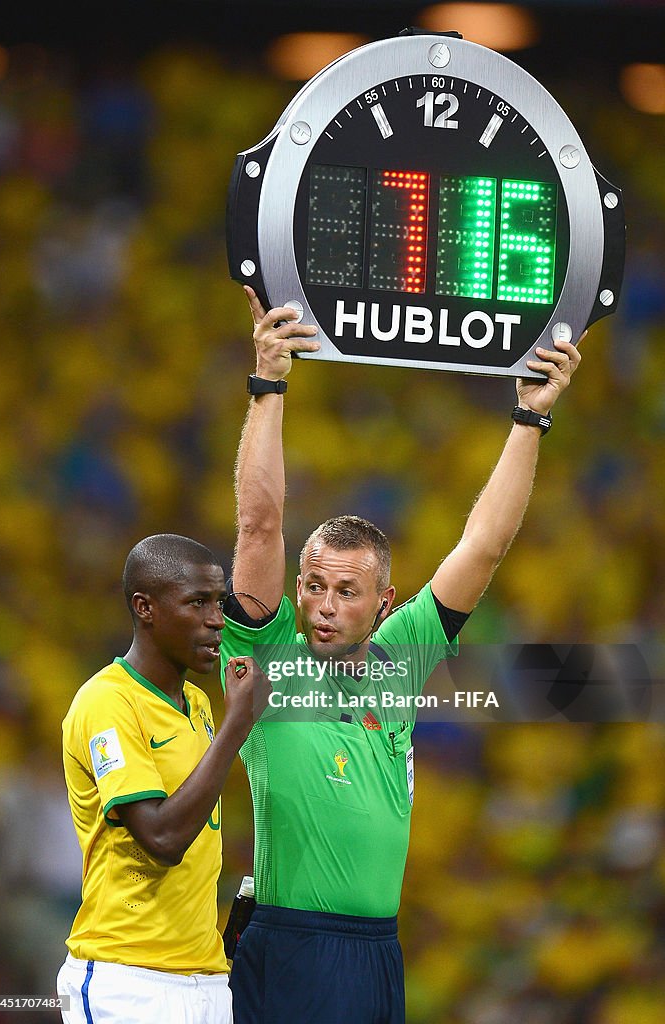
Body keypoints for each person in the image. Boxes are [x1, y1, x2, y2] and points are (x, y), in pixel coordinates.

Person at [219, 286, 581, 1023]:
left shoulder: (400, 658)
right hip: (292, 947)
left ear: (385, 605)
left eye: (347, 591)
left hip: (378, 952)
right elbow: (259, 525)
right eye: (313, 586)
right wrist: (268, 386)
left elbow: (485, 545)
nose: (324, 604)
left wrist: (530, 416)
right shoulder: (266, 653)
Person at [57, 533, 269, 1024]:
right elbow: (162, 837)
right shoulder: (107, 702)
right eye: (197, 603)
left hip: (206, 977)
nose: (216, 619)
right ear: (145, 608)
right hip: (125, 977)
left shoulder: (196, 703)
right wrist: (237, 725)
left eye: (219, 602)